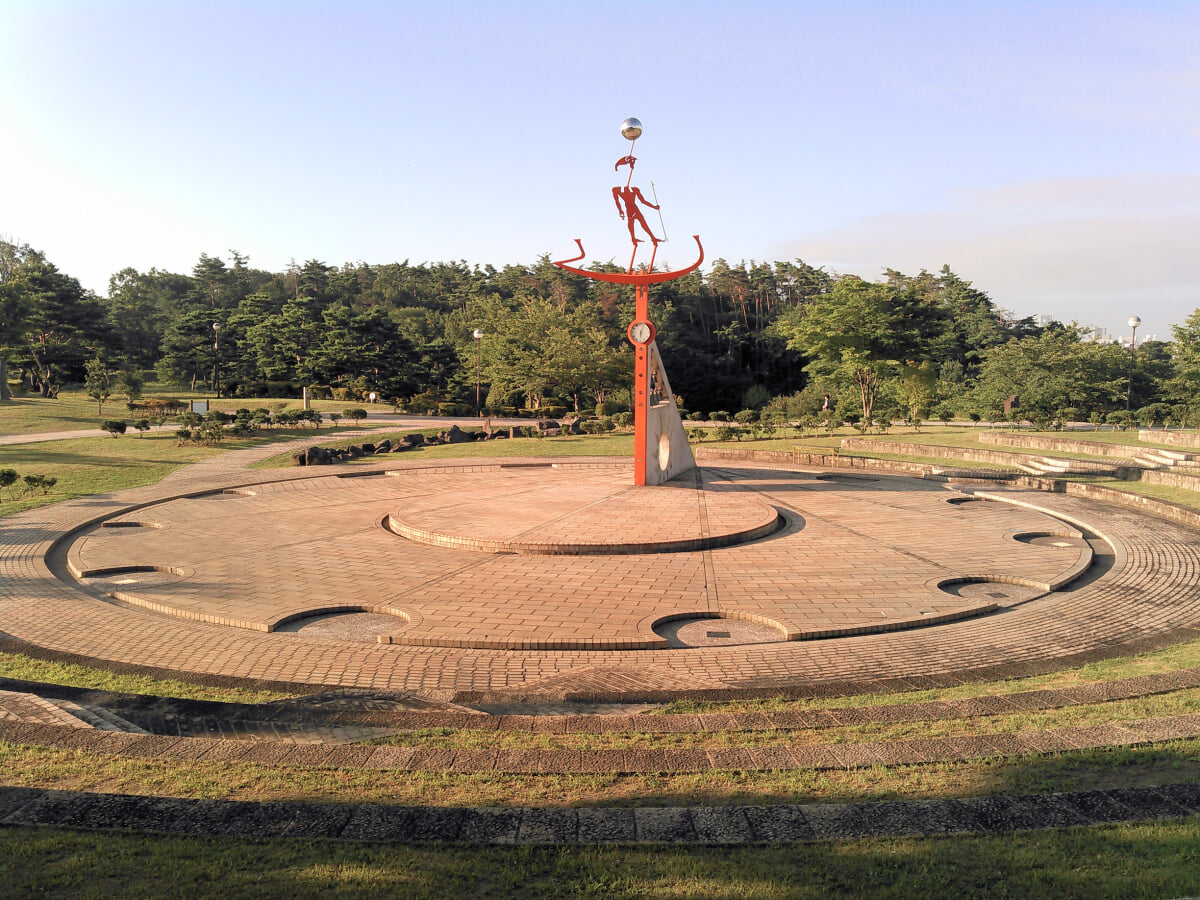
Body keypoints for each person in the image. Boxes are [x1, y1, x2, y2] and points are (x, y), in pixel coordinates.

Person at [612, 156, 661, 247]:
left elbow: (643, 201)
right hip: (629, 208)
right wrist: (620, 210)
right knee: (632, 222)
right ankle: (634, 238)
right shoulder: (617, 190)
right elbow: (617, 201)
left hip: (634, 207)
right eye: (632, 163)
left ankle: (652, 238)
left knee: (642, 222)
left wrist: (654, 207)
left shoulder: (635, 189)